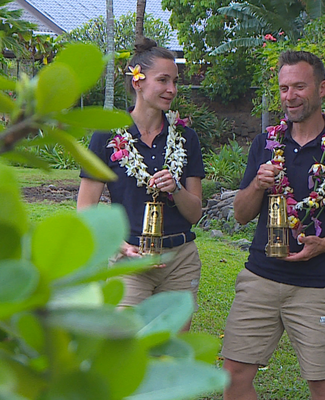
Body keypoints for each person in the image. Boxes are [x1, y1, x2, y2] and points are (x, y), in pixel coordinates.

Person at [221, 50, 325, 400]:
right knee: (233, 375)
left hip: (317, 284)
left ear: (321, 89)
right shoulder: (265, 144)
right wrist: (257, 185)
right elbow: (240, 214)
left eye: (299, 86)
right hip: (260, 276)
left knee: (321, 386)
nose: (289, 96)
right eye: (283, 88)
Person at [76, 38, 205, 329]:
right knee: (125, 349)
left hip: (180, 261)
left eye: (174, 81)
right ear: (138, 82)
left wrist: (176, 187)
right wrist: (121, 247)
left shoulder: (186, 138)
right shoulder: (106, 137)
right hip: (130, 261)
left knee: (170, 352)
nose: (171, 89)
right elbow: (86, 209)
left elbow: (195, 213)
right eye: (163, 80)